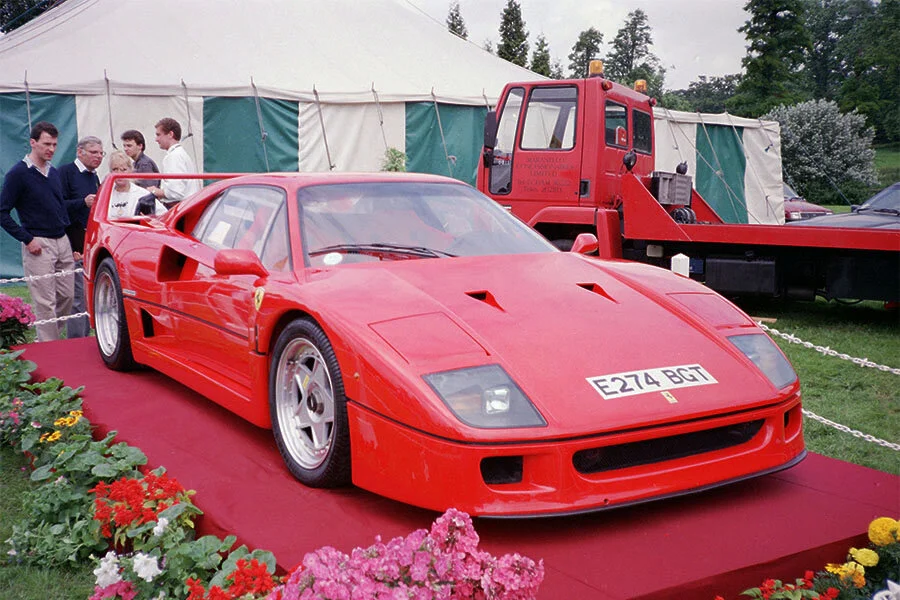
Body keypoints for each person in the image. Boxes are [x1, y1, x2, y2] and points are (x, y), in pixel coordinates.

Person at [0, 121, 74, 342]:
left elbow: (59, 205)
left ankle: (47, 338)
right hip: (38, 242)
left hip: (62, 240)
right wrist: (28, 239)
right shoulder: (18, 174)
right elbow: (2, 212)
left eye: (54, 144)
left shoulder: (54, 172)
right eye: (46, 144)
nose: (51, 149)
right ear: (33, 143)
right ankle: (50, 348)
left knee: (68, 296)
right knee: (45, 301)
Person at [58, 135, 103, 339]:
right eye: (94, 152)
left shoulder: (94, 176)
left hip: (90, 242)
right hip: (72, 242)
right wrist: (82, 203)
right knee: (76, 295)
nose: (98, 156)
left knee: (87, 294)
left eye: (101, 153)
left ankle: (84, 337)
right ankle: (76, 340)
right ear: (80, 151)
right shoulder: (65, 173)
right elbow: (58, 207)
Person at [146, 117, 200, 207]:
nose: (156, 139)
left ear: (170, 134)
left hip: (178, 208)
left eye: (159, 135)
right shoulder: (179, 154)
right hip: (185, 206)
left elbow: (176, 192)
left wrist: (154, 191)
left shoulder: (174, 156)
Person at [106, 150, 167, 218]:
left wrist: (148, 219)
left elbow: (164, 214)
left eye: (123, 169)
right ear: (110, 172)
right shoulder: (106, 195)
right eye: (115, 169)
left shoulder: (143, 194)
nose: (119, 173)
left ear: (130, 171)